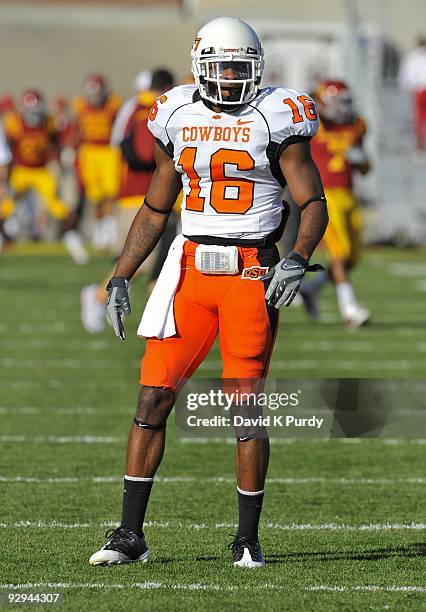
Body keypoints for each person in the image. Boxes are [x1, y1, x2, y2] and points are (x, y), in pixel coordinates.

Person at [89, 17, 328, 569]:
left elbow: (312, 202)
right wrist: (122, 274)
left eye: (241, 68)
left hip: (251, 274)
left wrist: (296, 258)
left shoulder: (278, 115)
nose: (230, 79)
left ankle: (247, 538)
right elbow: (156, 206)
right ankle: (130, 535)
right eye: (221, 67)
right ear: (201, 67)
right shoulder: (176, 113)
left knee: (244, 409)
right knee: (152, 397)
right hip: (190, 271)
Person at [80, 69, 176, 334]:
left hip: (140, 193)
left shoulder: (134, 107)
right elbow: (144, 154)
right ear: (166, 86)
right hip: (142, 193)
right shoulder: (145, 109)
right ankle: (100, 296)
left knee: (144, 257)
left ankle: (105, 297)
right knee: (141, 257)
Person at [300, 80, 370, 329]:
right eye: (338, 103)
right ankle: (350, 310)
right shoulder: (312, 124)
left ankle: (312, 289)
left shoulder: (357, 125)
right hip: (325, 195)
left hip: (349, 195)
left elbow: (365, 169)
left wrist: (360, 159)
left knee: (352, 258)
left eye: (346, 103)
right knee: (338, 255)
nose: (343, 108)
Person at [3, 89, 88, 263]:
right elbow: (8, 147)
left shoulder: (48, 122)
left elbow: (55, 143)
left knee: (57, 206)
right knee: (6, 206)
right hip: (21, 170)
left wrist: (59, 158)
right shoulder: (13, 123)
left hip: (41, 171)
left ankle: (72, 239)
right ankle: (3, 238)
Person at [73, 75, 122, 248]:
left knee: (110, 191)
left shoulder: (113, 104)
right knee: (94, 194)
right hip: (89, 150)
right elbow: (78, 128)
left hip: (108, 150)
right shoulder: (80, 104)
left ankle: (109, 229)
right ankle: (99, 229)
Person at [399, 36, 426, 150]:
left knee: (419, 118)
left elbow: (407, 75)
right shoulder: (412, 57)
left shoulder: (411, 57)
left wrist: (407, 87)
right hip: (421, 89)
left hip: (419, 89)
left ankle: (419, 145)